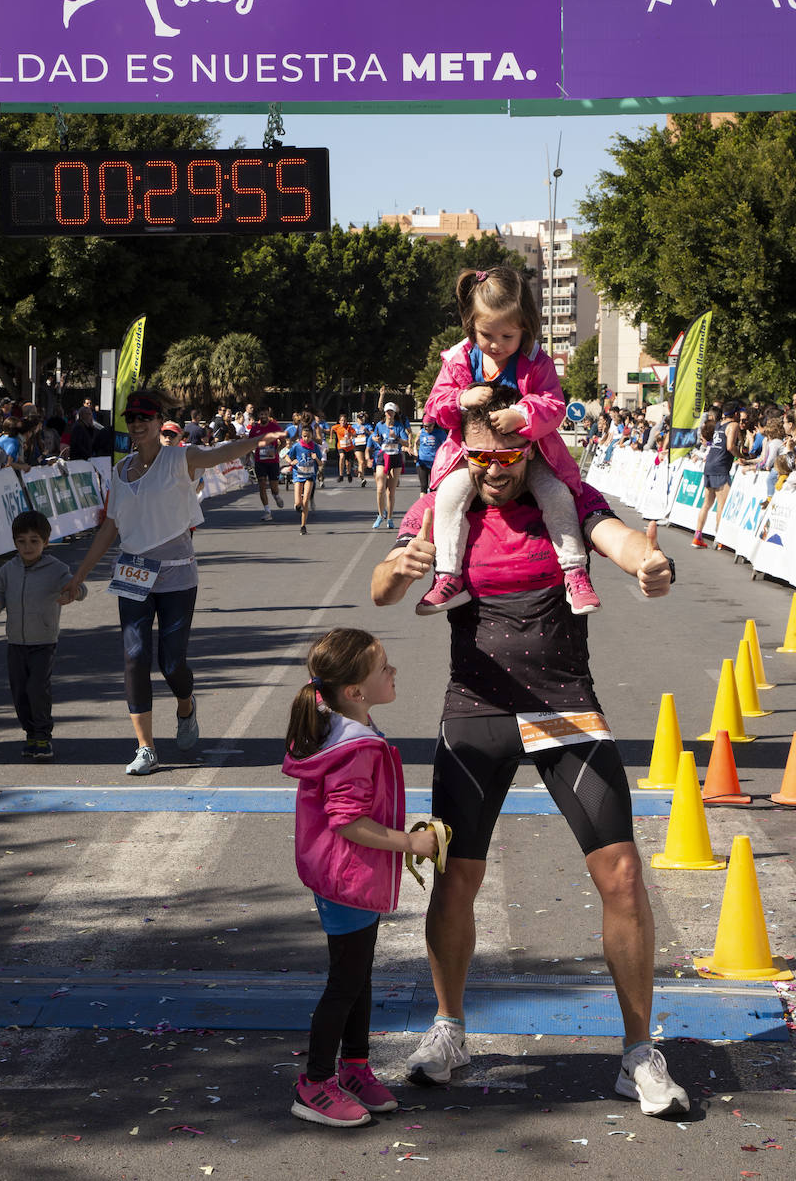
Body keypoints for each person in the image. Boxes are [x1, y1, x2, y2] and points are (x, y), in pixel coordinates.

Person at [370, 386, 689, 1118]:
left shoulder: (562, 499)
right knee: (454, 876)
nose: (492, 470)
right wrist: (401, 567)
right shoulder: (445, 503)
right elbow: (382, 588)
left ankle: (639, 1052)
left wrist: (649, 564)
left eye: (506, 457)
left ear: (530, 447)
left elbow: (619, 539)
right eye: (479, 457)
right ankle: (448, 1031)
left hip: (564, 706)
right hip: (475, 711)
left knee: (621, 874)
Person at [59, 390, 275, 776]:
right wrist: (79, 575)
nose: (138, 425)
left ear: (159, 423)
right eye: (132, 420)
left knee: (172, 662)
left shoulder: (179, 458)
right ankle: (146, 748)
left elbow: (219, 455)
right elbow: (110, 526)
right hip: (132, 574)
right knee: (134, 654)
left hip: (176, 573)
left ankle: (186, 704)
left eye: (145, 419)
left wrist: (256, 441)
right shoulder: (121, 471)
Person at [282, 628, 437, 1127]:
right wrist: (411, 843)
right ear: (354, 691)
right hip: (345, 876)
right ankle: (315, 1083)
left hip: (346, 874)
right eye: (383, 668)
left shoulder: (345, 725)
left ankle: (353, 1068)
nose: (393, 672)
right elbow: (346, 819)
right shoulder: (356, 745)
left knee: (358, 976)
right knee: (345, 982)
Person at [417, 266, 600, 616]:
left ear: (525, 330)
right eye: (487, 334)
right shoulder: (458, 360)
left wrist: (524, 414)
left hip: (531, 455)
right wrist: (459, 400)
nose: (497, 345)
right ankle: (448, 576)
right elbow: (434, 407)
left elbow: (555, 405)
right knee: (449, 498)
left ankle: (575, 572)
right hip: (469, 456)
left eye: (507, 336)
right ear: (471, 325)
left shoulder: (535, 362)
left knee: (557, 494)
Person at [0, 511, 87, 762]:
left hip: (43, 642)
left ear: (46, 542)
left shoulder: (56, 568)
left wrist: (72, 594)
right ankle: (30, 735)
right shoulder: (8, 570)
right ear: (14, 542)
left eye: (34, 540)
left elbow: (79, 587)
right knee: (19, 692)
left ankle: (43, 736)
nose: (28, 546)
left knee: (37, 689)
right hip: (15, 643)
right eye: (21, 541)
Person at [692, 400, 740, 548]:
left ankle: (697, 536)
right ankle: (719, 539)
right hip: (720, 466)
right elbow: (730, 446)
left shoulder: (718, 424)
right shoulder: (733, 425)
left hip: (710, 464)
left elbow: (712, 442)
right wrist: (741, 457)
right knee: (721, 504)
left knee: (707, 503)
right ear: (736, 414)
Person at [368, 401, 411, 531]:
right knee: (380, 487)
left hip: (395, 457)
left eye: (391, 411)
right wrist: (376, 440)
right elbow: (376, 438)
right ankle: (381, 514)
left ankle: (390, 518)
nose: (389, 413)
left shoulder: (399, 426)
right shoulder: (380, 426)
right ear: (385, 413)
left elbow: (406, 443)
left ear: (394, 413)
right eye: (387, 411)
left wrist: (397, 438)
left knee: (391, 491)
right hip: (383, 456)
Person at [247, 404, 287, 521]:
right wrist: (248, 457)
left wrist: (277, 450)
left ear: (268, 415)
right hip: (260, 461)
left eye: (265, 414)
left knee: (274, 487)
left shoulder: (275, 427)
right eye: (261, 414)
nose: (263, 416)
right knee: (262, 486)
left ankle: (276, 495)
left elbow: (283, 442)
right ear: (258, 416)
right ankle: (267, 511)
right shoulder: (254, 429)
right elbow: (250, 445)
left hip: (273, 461)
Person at [285, 423, 322, 535]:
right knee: (298, 502)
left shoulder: (315, 447)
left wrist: (316, 459)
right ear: (301, 436)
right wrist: (291, 462)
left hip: (310, 476)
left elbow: (320, 464)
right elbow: (286, 455)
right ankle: (297, 506)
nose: (306, 439)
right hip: (298, 475)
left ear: (312, 436)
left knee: (305, 500)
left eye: (309, 437)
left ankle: (303, 525)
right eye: (304, 436)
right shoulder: (297, 446)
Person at [414, 415, 447, 494]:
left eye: (429, 426)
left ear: (433, 424)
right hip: (422, 462)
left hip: (435, 464)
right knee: (423, 486)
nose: (427, 428)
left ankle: (432, 505)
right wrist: (415, 451)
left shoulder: (439, 433)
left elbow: (445, 446)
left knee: (433, 487)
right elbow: (415, 442)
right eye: (425, 426)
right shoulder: (421, 432)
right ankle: (423, 505)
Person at [332, 413, 356, 483]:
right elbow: (331, 429)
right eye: (341, 420)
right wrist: (330, 437)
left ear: (346, 421)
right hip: (341, 446)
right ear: (339, 421)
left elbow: (354, 434)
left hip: (348, 447)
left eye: (344, 421)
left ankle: (348, 474)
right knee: (342, 457)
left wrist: (350, 435)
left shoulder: (349, 427)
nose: (343, 422)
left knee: (348, 463)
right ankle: (341, 475)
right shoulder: (337, 427)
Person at [351, 412, 371, 487]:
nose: (361, 420)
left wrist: (366, 431)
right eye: (360, 418)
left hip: (366, 445)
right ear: (357, 419)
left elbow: (372, 434)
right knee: (361, 462)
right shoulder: (353, 426)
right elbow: (350, 435)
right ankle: (362, 478)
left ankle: (358, 468)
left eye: (362, 418)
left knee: (364, 463)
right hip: (357, 445)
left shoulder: (368, 426)